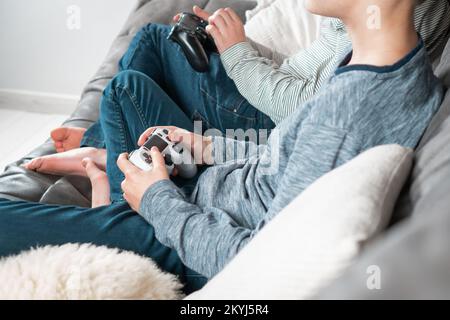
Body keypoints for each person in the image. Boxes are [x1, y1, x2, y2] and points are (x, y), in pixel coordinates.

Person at [0, 0, 445, 294]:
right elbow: (286, 160)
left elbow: (253, 257)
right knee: (129, 88)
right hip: (195, 194)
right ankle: (108, 188)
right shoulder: (378, 67)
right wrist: (207, 148)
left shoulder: (352, 112)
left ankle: (109, 204)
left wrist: (156, 200)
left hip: (184, 237)